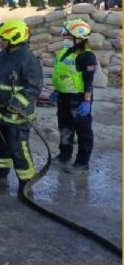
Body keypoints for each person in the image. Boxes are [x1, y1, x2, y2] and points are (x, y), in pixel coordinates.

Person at [0, 20, 43, 192]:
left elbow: (34, 88)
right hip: (0, 112)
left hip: (17, 115)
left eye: (3, 38)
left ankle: (26, 183)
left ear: (14, 38)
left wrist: (17, 103)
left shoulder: (29, 60)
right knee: (1, 146)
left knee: (19, 149)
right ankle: (1, 175)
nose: (0, 41)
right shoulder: (4, 54)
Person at [49, 19, 97, 174]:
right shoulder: (63, 53)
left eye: (69, 38)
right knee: (64, 127)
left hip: (80, 98)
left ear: (79, 39)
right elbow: (59, 73)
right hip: (63, 97)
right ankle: (64, 155)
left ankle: (82, 163)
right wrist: (56, 91)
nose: (66, 40)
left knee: (83, 131)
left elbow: (88, 80)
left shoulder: (87, 57)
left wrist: (87, 101)